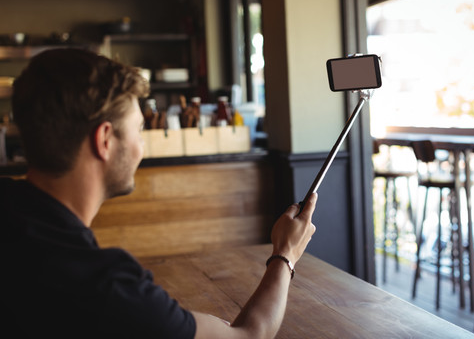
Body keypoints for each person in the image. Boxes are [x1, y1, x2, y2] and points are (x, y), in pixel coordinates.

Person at [0, 48, 317, 338]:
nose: (142, 145)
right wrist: (285, 253)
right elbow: (249, 335)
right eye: (139, 130)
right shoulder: (106, 289)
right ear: (105, 140)